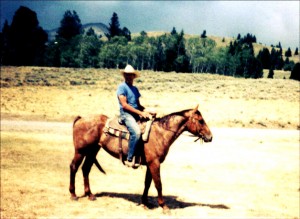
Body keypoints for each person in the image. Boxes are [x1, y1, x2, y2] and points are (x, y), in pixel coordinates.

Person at [117, 64, 151, 168]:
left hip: (135, 113)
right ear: (124, 76)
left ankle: (142, 155)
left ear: (133, 76)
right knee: (136, 133)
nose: (128, 77)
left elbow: (138, 105)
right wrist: (140, 113)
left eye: (130, 75)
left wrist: (147, 111)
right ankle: (129, 158)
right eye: (126, 75)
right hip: (126, 114)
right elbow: (124, 105)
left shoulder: (135, 89)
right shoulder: (122, 87)